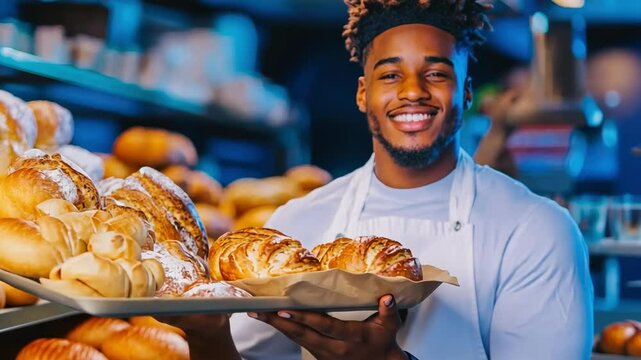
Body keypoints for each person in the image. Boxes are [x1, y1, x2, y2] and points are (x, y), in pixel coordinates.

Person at [171, 1, 593, 359]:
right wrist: (207, 334)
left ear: (466, 91)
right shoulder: (296, 226)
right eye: (391, 75)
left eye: (437, 74)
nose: (413, 91)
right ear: (362, 93)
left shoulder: (536, 231)